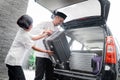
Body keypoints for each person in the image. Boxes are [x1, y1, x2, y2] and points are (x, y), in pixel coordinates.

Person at [4, 14, 53, 80]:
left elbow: (34, 37)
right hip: (14, 62)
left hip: (10, 60)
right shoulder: (24, 36)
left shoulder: (22, 30)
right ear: (27, 27)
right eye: (31, 25)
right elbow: (34, 47)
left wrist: (45, 33)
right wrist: (46, 51)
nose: (32, 26)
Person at [32, 11, 67, 80]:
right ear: (56, 17)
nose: (60, 23)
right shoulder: (45, 23)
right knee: (39, 76)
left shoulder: (57, 30)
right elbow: (33, 30)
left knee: (49, 76)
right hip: (41, 55)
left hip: (50, 57)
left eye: (62, 22)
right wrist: (44, 31)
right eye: (60, 21)